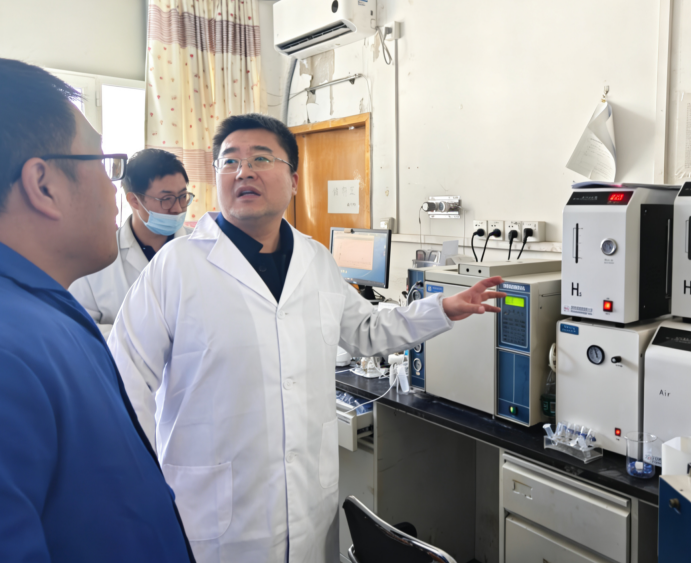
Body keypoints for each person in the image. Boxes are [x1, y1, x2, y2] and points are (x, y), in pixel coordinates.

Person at [109, 113, 505, 563]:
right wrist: (141, 486)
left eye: (261, 158)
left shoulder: (315, 260)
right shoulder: (175, 267)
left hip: (308, 507)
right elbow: (124, 382)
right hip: (212, 515)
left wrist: (441, 309)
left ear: (294, 180)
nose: (244, 171)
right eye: (229, 161)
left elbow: (365, 330)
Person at [0, 58, 194, 562]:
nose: (113, 189)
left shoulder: (45, 315)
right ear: (43, 184)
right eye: (105, 165)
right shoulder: (12, 353)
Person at [70, 148, 194, 338]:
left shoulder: (202, 247)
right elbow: (79, 326)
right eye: (167, 199)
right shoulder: (93, 259)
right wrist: (138, 341)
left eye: (183, 197)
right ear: (134, 200)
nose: (178, 208)